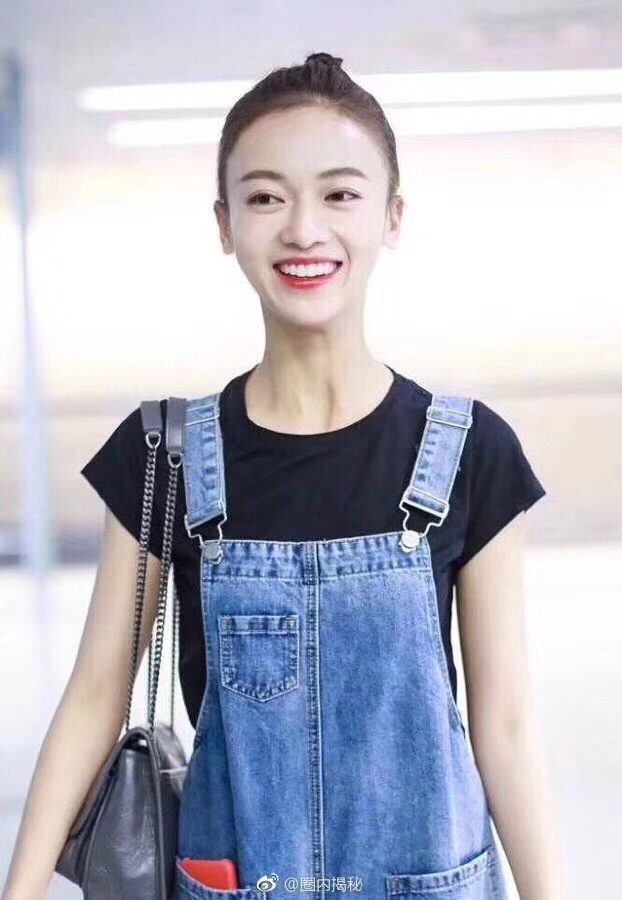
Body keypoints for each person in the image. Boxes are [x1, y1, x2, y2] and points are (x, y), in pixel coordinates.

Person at [2, 52, 565, 900]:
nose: (303, 229)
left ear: (392, 215)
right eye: (266, 197)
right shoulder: (164, 455)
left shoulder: (471, 453)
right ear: (225, 224)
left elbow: (508, 726)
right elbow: (93, 695)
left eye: (340, 194)